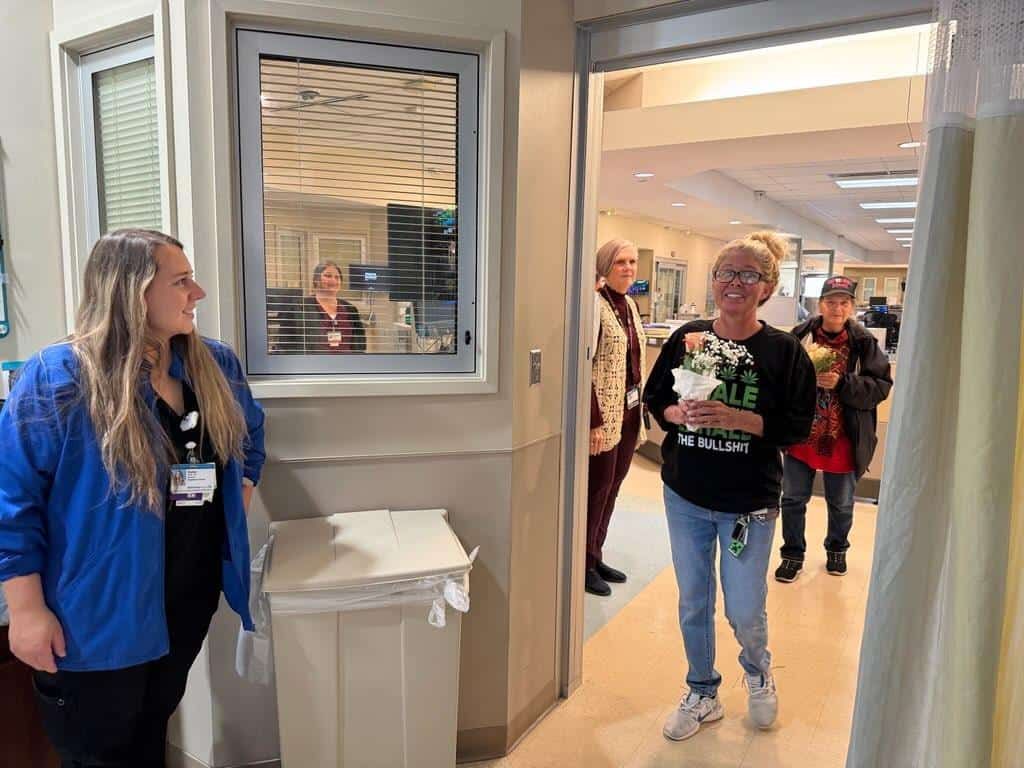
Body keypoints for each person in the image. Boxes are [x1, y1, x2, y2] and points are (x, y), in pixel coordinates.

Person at [0, 229, 266, 767]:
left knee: (149, 737)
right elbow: (12, 500)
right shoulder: (60, 377)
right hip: (95, 617)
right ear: (132, 291)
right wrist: (26, 611)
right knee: (99, 753)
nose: (199, 292)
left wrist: (239, 494)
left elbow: (250, 437)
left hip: (185, 600)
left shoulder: (212, 365)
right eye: (181, 280)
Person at [644, 231, 816, 742]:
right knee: (693, 600)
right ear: (714, 281)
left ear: (766, 286)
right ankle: (702, 690)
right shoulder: (688, 337)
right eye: (726, 273)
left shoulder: (785, 352)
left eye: (748, 275)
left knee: (743, 606)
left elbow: (798, 426)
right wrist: (677, 412)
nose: (735, 283)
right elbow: (656, 399)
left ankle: (759, 672)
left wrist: (743, 420)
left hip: (750, 504)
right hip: (686, 494)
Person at [774, 275, 892, 581]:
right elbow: (779, 379)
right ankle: (792, 553)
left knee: (840, 502)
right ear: (820, 304)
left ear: (852, 306)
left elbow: (880, 386)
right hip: (802, 434)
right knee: (792, 498)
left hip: (843, 436)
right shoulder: (799, 335)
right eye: (830, 302)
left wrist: (843, 383)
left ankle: (837, 549)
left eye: (843, 303)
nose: (836, 308)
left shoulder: (864, 343)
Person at [586, 239, 647, 597]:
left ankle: (596, 553)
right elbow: (582, 365)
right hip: (603, 416)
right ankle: (582, 562)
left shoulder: (630, 307)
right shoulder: (594, 305)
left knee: (613, 488)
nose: (627, 268)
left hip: (629, 413)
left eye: (632, 261)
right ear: (605, 267)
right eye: (620, 261)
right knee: (596, 490)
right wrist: (593, 419)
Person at [288, 260, 367, 353]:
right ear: (316, 280)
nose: (333, 280)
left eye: (337, 277)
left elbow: (360, 346)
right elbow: (288, 346)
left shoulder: (350, 310)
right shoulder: (300, 308)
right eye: (328, 276)